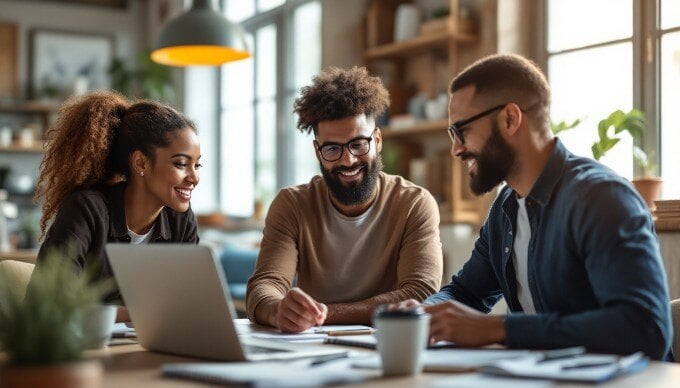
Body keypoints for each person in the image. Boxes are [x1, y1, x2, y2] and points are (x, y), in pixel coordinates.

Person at [394, 53, 672, 360]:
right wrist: (424, 312)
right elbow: (466, 293)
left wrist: (497, 329)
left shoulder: (601, 198)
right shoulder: (505, 207)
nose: (456, 149)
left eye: (462, 131)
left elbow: (645, 329)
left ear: (510, 119)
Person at [246, 67, 443, 333]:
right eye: (332, 148)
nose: (347, 160)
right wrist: (277, 309)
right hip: (311, 348)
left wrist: (323, 315)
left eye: (358, 144)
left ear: (377, 140)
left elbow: (420, 293)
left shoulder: (413, 204)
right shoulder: (291, 205)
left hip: (387, 342)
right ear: (317, 151)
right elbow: (264, 287)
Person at [31, 91, 201, 322]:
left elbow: (190, 300)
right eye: (181, 164)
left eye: (197, 165)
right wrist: (142, 313)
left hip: (145, 347)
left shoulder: (179, 219)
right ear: (141, 162)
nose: (194, 178)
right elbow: (50, 303)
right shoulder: (87, 209)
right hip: (72, 349)